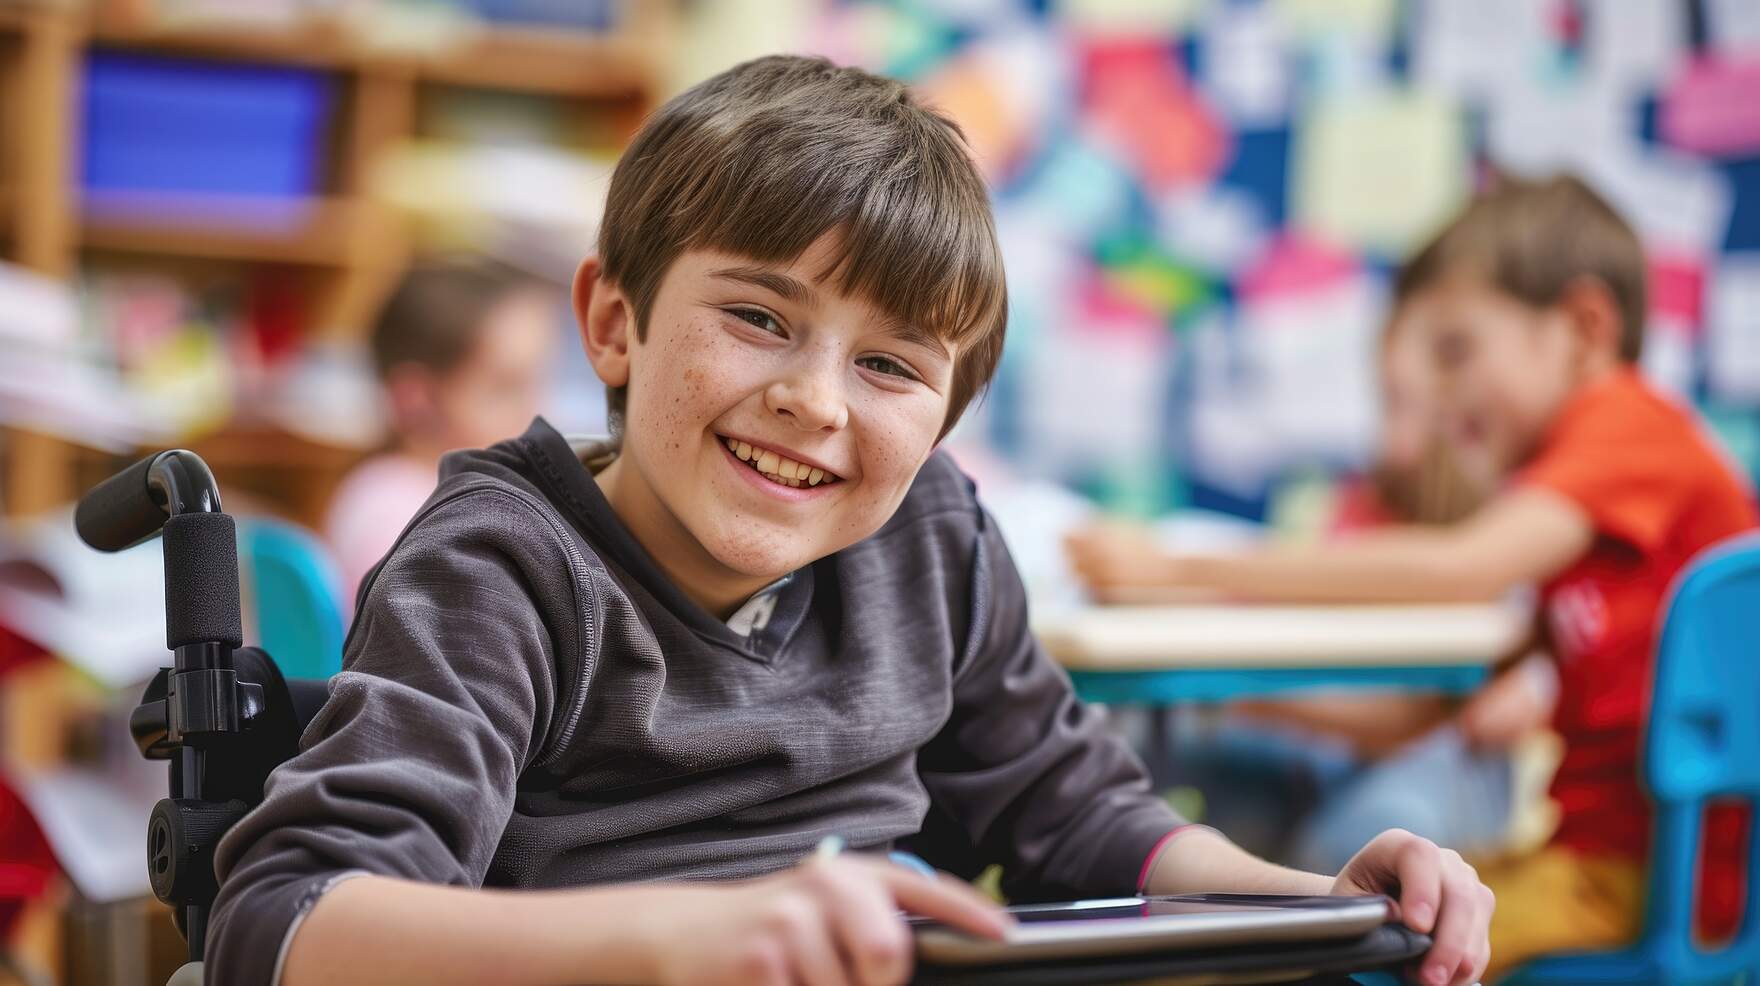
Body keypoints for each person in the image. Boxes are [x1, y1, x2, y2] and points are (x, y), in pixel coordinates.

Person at [208, 56, 1492, 986]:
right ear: (611, 320)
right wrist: (684, 937)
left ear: (942, 415)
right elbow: (288, 919)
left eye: (889, 367)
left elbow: (1074, 814)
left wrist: (1318, 895)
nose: (812, 401)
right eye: (758, 317)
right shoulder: (504, 563)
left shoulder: (931, 535)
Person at [1069, 174, 1756, 977]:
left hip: (1646, 884)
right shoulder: (1593, 525)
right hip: (1608, 871)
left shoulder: (1626, 430)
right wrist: (1224, 685)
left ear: (1584, 327)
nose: (1442, 396)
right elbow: (1411, 713)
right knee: (1369, 915)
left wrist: (1177, 568)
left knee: (1390, 941)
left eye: (1459, 351)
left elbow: (1462, 567)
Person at [323, 257, 561, 603]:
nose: (537, 414)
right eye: (504, 388)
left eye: (537, 381)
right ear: (417, 400)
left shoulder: (453, 498)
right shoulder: (398, 514)